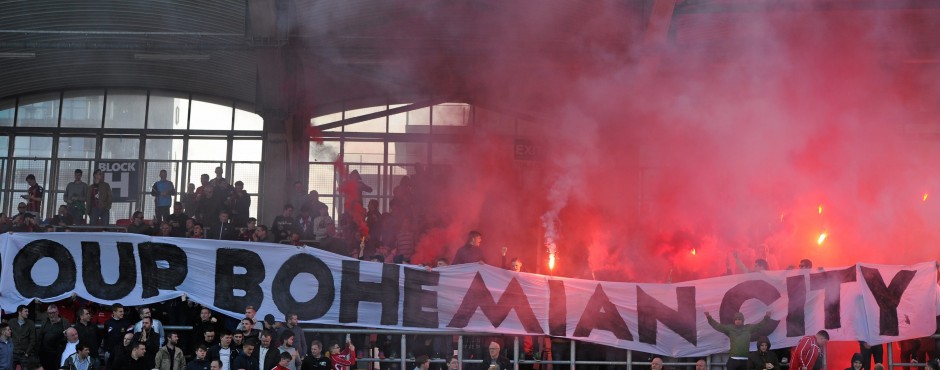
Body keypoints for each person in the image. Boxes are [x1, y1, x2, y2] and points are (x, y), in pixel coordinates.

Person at [705, 311, 773, 370]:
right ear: (734, 320)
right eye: (736, 319)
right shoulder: (730, 328)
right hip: (733, 360)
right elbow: (718, 326)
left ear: (742, 320)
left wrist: (767, 317)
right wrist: (709, 317)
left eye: (739, 319)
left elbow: (759, 326)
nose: (737, 321)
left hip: (745, 360)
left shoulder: (748, 328)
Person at [36, 304, 71, 370]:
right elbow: (39, 340)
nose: (51, 315)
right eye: (49, 313)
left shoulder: (65, 323)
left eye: (53, 312)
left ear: (58, 312)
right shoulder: (45, 322)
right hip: (44, 356)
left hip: (58, 357)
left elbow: (70, 340)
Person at [8, 305, 35, 370]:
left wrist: (27, 353)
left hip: (24, 354)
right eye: (25, 311)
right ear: (20, 312)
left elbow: (33, 339)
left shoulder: (30, 323)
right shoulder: (12, 322)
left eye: (27, 311)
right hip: (13, 353)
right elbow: (7, 335)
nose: (27, 313)